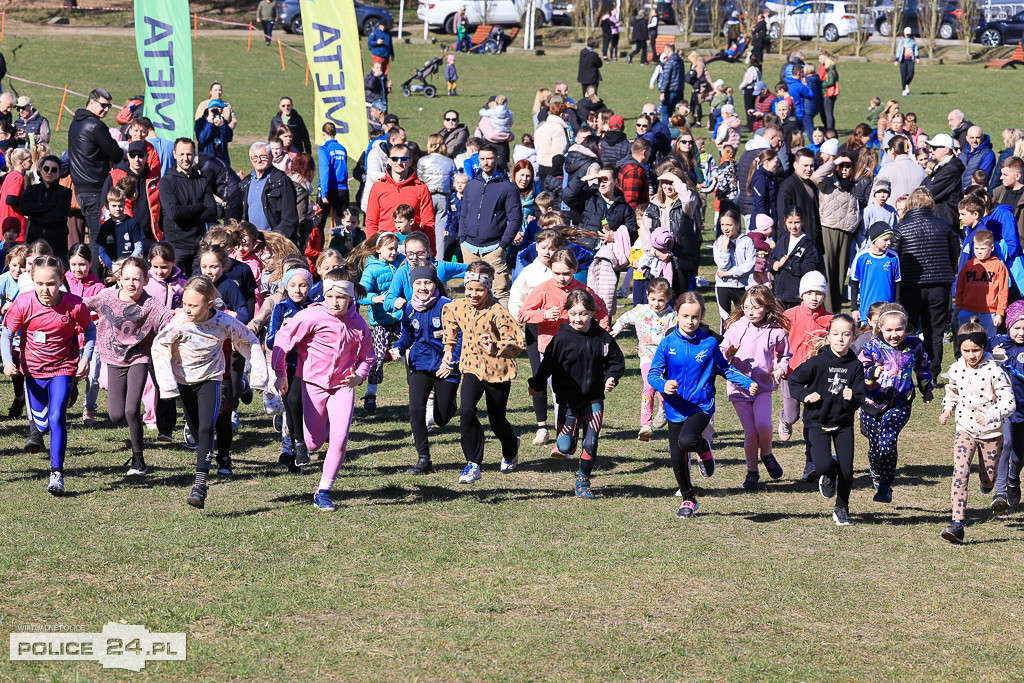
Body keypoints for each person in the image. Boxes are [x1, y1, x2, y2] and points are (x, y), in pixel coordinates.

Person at [647, 291, 757, 519]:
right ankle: (689, 498)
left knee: (687, 441)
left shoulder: (708, 343)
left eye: (695, 317)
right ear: (676, 314)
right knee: (677, 458)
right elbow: (654, 374)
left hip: (701, 405)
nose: (690, 321)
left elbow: (724, 368)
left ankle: (704, 449)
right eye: (685, 316)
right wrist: (663, 384)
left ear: (702, 317)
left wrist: (746, 382)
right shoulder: (668, 343)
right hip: (675, 407)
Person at [271, 268, 373, 511]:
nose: (335, 302)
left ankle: (324, 490)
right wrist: (280, 373)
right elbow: (283, 340)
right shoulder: (312, 316)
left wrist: (359, 377)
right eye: (330, 296)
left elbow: (368, 357)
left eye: (341, 297)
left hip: (342, 387)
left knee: (339, 439)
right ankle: (321, 427)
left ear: (351, 298)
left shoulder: (359, 325)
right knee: (314, 443)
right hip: (313, 385)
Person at [1, 254, 95, 495]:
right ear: (32, 281)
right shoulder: (23, 303)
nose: (45, 289)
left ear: (60, 280)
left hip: (63, 367)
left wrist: (86, 357)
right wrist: (7, 361)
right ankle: (41, 421)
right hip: (32, 370)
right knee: (41, 424)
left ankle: (57, 474)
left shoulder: (74, 304)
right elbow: (6, 334)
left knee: (56, 418)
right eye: (40, 284)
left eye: (51, 283)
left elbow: (90, 329)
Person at [530, 288, 624, 499]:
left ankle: (583, 480)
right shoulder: (562, 337)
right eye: (573, 313)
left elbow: (616, 361)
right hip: (568, 399)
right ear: (567, 313)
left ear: (592, 312)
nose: (578, 318)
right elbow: (547, 365)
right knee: (564, 446)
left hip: (594, 398)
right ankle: (568, 441)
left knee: (590, 442)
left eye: (583, 313)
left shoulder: (602, 337)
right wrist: (535, 384)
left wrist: (611, 377)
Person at [83, 256, 169, 476]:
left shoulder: (149, 304)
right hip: (113, 359)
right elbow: (82, 303)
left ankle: (139, 459)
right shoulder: (107, 297)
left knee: (132, 410)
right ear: (119, 279)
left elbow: (168, 318)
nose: (131, 283)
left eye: (137, 279)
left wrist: (189, 315)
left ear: (146, 280)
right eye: (127, 278)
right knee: (115, 415)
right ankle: (135, 444)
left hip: (138, 358)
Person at [441, 261, 524, 481]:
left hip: (498, 371)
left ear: (488, 288)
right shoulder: (457, 306)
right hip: (471, 368)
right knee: (466, 410)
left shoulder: (498, 312)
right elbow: (449, 316)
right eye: (470, 289)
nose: (473, 294)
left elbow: (517, 343)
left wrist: (495, 346)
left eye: (479, 290)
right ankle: (473, 463)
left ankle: (511, 446)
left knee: (497, 420)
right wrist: (448, 347)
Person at [939, 320, 1015, 544]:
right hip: (965, 428)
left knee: (988, 478)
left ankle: (988, 482)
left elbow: (1009, 403)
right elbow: (952, 390)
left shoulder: (994, 371)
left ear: (984, 348)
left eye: (976, 350)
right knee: (960, 473)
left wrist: (991, 414)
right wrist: (946, 410)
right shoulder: (957, 368)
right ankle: (957, 524)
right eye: (966, 350)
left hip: (991, 431)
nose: (971, 355)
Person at [787, 314, 865, 527]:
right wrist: (805, 396)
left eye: (846, 334)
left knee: (847, 470)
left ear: (853, 337)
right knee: (822, 465)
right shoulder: (817, 362)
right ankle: (829, 474)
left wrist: (852, 399)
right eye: (836, 334)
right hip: (817, 421)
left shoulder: (856, 366)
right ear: (828, 336)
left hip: (843, 424)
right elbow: (793, 380)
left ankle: (842, 508)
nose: (840, 339)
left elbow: (860, 396)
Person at [389, 265, 460, 475]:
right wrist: (399, 348)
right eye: (418, 283)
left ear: (435, 284)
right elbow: (408, 334)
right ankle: (423, 458)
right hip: (419, 364)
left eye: (427, 282)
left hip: (446, 365)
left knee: (442, 417)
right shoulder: (409, 308)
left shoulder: (448, 306)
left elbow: (462, 337)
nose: (423, 287)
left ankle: (449, 405)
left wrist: (451, 362)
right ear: (412, 286)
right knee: (416, 410)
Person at [858, 302, 933, 503]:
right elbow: (858, 371)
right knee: (875, 447)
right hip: (872, 403)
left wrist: (927, 389)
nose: (894, 334)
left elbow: (923, 368)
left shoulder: (914, 345)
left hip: (900, 402)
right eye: (888, 330)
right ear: (879, 328)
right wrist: (872, 373)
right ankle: (875, 468)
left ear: (906, 326)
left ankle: (885, 486)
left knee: (888, 439)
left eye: (898, 329)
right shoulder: (871, 347)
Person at [721, 285, 791, 489]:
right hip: (738, 387)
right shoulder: (735, 327)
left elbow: (785, 356)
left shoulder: (776, 330)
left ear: (768, 308)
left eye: (757, 307)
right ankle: (752, 471)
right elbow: (722, 351)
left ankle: (767, 454)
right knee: (750, 432)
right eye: (747, 307)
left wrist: (779, 370)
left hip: (762, 387)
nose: (751, 311)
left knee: (763, 425)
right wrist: (729, 352)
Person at [891, 187, 960, 377]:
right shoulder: (944, 225)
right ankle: (933, 371)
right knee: (935, 331)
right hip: (940, 285)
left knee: (907, 328)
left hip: (910, 286)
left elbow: (894, 258)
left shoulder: (901, 227)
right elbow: (954, 255)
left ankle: (905, 368)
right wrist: (949, 274)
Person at [458, 143, 521, 306]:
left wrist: (502, 246)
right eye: (482, 159)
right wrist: (462, 240)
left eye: (489, 158)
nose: (486, 162)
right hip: (469, 248)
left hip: (494, 248)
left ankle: (504, 329)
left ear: (497, 159)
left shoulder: (508, 188)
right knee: (472, 291)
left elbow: (515, 219)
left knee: (500, 291)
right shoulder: (471, 185)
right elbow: (463, 213)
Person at [67, 88, 124, 263]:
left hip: (81, 189)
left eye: (109, 107)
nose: (106, 110)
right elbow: (116, 154)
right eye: (103, 105)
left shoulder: (75, 122)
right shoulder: (96, 126)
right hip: (95, 189)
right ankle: (96, 280)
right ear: (92, 102)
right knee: (98, 238)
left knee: (93, 236)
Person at [265, 265, 312, 471]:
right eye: (292, 285)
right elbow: (269, 341)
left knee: (298, 406)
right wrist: (283, 330)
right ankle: (294, 450)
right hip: (287, 367)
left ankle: (300, 446)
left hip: (310, 367)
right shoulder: (281, 307)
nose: (298, 290)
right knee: (291, 408)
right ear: (286, 286)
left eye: (302, 285)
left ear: (309, 287)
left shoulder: (315, 308)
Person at [159, 138, 217, 275]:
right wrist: (199, 207)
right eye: (182, 154)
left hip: (199, 246)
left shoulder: (202, 181)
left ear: (194, 154)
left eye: (189, 154)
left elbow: (213, 212)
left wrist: (185, 213)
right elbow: (174, 213)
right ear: (174, 154)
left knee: (199, 288)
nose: (186, 158)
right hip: (176, 247)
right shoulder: (166, 182)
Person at [366, 142, 435, 254]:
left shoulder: (421, 188)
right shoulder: (378, 187)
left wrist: (431, 249)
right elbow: (371, 222)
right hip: (385, 247)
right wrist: (372, 248)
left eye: (403, 158)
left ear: (410, 161)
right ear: (389, 161)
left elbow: (428, 223)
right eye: (394, 159)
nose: (399, 162)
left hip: (413, 250)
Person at [642, 164, 700, 295]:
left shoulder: (686, 205)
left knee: (679, 300)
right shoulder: (653, 206)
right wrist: (656, 253)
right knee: (658, 300)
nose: (668, 187)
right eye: (665, 183)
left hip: (680, 261)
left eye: (671, 183)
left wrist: (677, 181)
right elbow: (645, 235)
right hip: (657, 262)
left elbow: (690, 200)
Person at [811, 155, 858, 313]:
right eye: (842, 166)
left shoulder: (853, 186)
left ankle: (836, 311)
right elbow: (816, 176)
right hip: (829, 229)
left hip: (846, 232)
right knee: (829, 272)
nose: (845, 169)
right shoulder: (829, 182)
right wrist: (834, 163)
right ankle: (828, 310)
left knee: (841, 274)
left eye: (848, 166)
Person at [240, 142, 299, 243]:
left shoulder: (282, 180)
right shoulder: (246, 182)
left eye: (263, 156)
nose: (259, 160)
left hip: (273, 242)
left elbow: (290, 218)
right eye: (255, 157)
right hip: (252, 243)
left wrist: (273, 239)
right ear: (251, 160)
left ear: (271, 157)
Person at [955, 228, 1008, 337]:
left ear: (992, 247)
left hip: (989, 312)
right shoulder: (969, 265)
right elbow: (960, 287)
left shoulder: (999, 266)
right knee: (966, 340)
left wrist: (999, 313)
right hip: (967, 310)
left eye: (983, 248)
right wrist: (959, 306)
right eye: (976, 248)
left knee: (988, 342)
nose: (979, 251)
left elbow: (1003, 291)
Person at [770, 207, 823, 310]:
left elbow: (810, 268)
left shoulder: (808, 244)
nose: (793, 226)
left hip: (796, 296)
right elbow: (773, 259)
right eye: (790, 222)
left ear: (803, 221)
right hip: (779, 294)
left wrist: (789, 264)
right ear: (785, 221)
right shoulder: (782, 240)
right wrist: (774, 265)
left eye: (797, 222)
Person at [21, 155, 71, 257]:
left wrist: (35, 213)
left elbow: (58, 214)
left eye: (54, 170)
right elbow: (24, 208)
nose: (49, 172)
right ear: (41, 170)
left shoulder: (65, 192)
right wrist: (49, 207)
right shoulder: (32, 190)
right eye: (46, 168)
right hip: (34, 241)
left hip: (57, 244)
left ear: (59, 173)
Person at [850, 222, 901, 323]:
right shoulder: (861, 257)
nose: (889, 243)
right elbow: (854, 283)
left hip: (888, 309)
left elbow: (897, 283)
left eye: (890, 239)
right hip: (866, 310)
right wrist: (854, 308)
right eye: (885, 240)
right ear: (874, 239)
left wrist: (897, 306)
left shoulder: (893, 257)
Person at [712, 208, 755, 327]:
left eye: (729, 225)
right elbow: (722, 266)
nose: (725, 228)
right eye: (722, 224)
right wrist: (725, 247)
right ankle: (724, 343)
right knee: (726, 320)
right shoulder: (718, 242)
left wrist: (731, 273)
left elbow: (749, 265)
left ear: (737, 224)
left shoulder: (747, 241)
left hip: (741, 286)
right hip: (723, 285)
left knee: (743, 318)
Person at [417, 134, 456, 253]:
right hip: (444, 197)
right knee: (440, 231)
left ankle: (423, 253)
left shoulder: (422, 161)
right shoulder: (449, 161)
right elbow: (453, 182)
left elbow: (419, 180)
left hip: (427, 197)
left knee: (425, 226)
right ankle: (439, 257)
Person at [776, 148, 820, 249]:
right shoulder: (787, 187)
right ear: (795, 165)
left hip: (812, 242)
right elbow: (784, 220)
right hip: (796, 244)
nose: (809, 169)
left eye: (811, 165)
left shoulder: (811, 184)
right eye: (805, 165)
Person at [96, 190, 143, 269]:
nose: (117, 208)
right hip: (112, 269)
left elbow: (139, 247)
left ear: (125, 204)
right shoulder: (105, 227)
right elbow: (102, 251)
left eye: (120, 205)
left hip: (131, 266)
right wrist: (112, 267)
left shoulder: (133, 223)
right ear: (107, 206)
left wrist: (127, 264)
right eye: (114, 206)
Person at [876, 136, 925, 208]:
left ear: (892, 150)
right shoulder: (920, 169)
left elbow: (875, 198)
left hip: (893, 215)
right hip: (916, 214)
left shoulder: (886, 169)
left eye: (887, 150)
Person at [0, 148, 31, 242]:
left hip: (6, 223)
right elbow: (10, 199)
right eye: (29, 160)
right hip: (14, 225)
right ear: (21, 163)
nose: (32, 163)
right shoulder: (18, 177)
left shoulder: (10, 175)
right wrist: (27, 205)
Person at [960, 126, 996, 190]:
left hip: (974, 193)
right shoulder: (963, 152)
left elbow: (982, 178)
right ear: (967, 138)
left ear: (982, 138)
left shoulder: (988, 154)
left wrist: (968, 192)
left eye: (978, 138)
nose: (974, 140)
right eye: (972, 137)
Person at [894, 27, 918, 96]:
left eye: (908, 34)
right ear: (904, 34)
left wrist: (917, 57)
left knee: (911, 74)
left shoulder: (913, 41)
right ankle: (904, 89)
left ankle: (907, 84)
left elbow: (915, 49)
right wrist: (896, 59)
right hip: (903, 60)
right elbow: (898, 50)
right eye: (906, 34)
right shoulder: (901, 41)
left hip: (910, 60)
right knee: (903, 76)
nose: (907, 35)